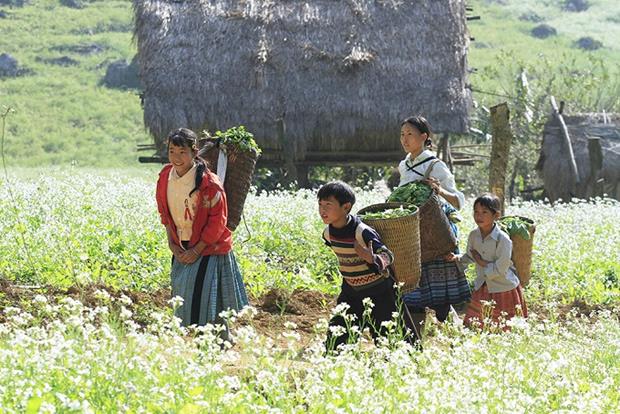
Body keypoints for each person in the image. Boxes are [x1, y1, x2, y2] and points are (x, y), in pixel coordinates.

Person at [155, 128, 248, 332]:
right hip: (182, 244)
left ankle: (215, 343)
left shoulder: (209, 183)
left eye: (182, 152)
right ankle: (213, 342)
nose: (176, 158)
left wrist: (196, 250)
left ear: (194, 151)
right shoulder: (164, 177)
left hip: (209, 248)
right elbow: (165, 213)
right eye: (172, 151)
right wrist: (172, 243)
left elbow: (217, 222)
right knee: (185, 295)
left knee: (207, 299)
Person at [318, 181, 419, 351]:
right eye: (320, 204)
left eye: (328, 205)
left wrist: (372, 258)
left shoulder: (361, 231)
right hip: (351, 291)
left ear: (346, 207)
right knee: (338, 337)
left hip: (380, 291)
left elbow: (388, 255)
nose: (322, 210)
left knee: (393, 339)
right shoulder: (328, 233)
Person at [397, 115, 471, 329]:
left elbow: (458, 201)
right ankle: (415, 340)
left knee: (442, 301)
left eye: (410, 134)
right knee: (413, 294)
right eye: (402, 134)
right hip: (412, 235)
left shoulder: (435, 165)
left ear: (424, 137)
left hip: (435, 234)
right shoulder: (404, 165)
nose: (405, 139)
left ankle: (456, 335)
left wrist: (438, 190)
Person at [446, 193, 528, 330]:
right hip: (482, 285)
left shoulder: (503, 239)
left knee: (506, 328)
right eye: (476, 212)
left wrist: (482, 262)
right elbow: (471, 256)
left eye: (485, 212)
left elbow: (501, 268)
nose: (479, 216)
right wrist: (457, 258)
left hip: (503, 287)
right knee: (477, 327)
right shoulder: (474, 235)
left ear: (496, 215)